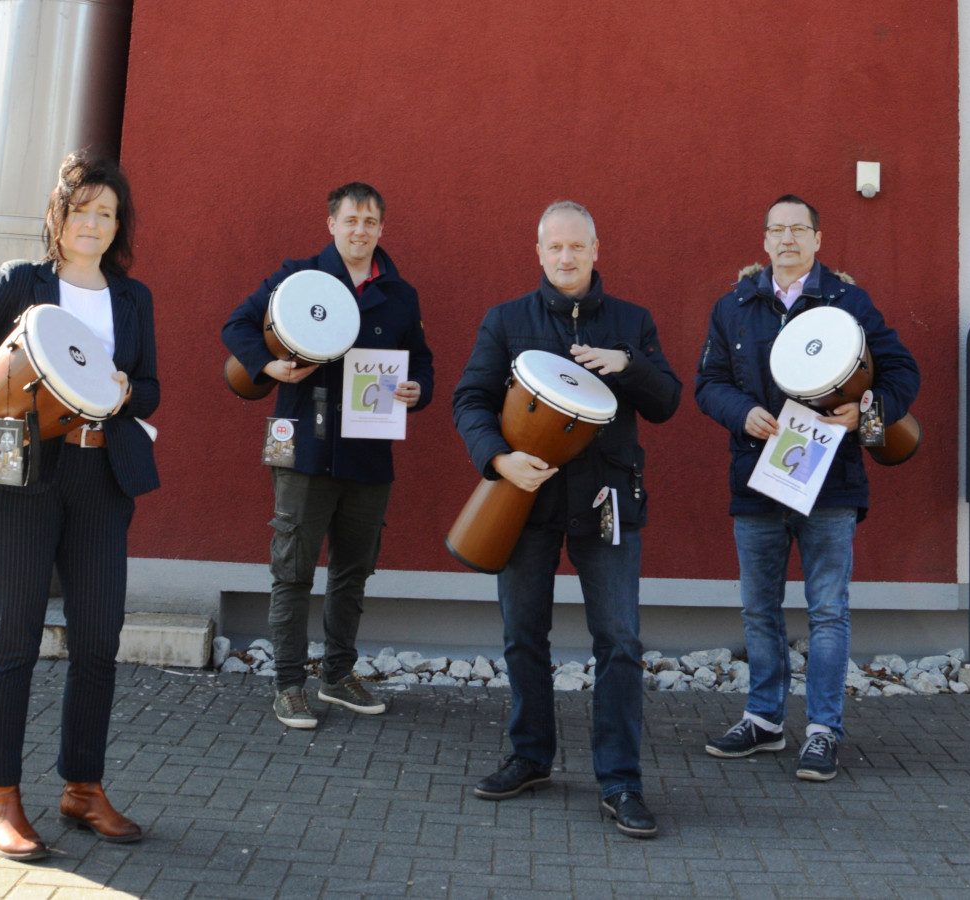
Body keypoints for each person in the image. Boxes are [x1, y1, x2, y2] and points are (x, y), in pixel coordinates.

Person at [0, 151, 159, 860]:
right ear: (60, 215)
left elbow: (149, 388)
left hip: (103, 475)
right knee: (15, 637)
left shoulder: (133, 297)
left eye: (107, 213)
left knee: (97, 641)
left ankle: (82, 788)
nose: (94, 223)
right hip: (21, 472)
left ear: (119, 226)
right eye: (82, 209)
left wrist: (126, 391)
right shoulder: (22, 283)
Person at [452, 201, 681, 839]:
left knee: (620, 643)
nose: (566, 257)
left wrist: (628, 366)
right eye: (555, 247)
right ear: (539, 252)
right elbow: (469, 398)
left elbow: (667, 401)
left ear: (596, 250)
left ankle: (621, 781)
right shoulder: (506, 321)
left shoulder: (633, 322)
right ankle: (530, 757)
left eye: (577, 247)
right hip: (525, 500)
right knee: (523, 634)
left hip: (607, 501)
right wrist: (497, 458)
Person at [695, 194, 919, 781]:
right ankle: (764, 720)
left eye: (799, 229)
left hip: (831, 484)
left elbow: (901, 372)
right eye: (777, 229)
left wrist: (863, 416)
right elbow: (708, 382)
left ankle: (822, 731)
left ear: (818, 239)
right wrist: (742, 412)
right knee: (758, 608)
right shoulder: (734, 306)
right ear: (764, 240)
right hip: (758, 479)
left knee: (827, 610)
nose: (787, 239)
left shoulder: (849, 302)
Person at [222, 182, 433, 730]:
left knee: (352, 571)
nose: (359, 231)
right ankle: (289, 685)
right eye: (350, 221)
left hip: (369, 452)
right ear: (331, 225)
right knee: (292, 570)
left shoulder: (401, 295)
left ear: (382, 229)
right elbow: (237, 325)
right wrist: (266, 368)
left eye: (370, 222)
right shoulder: (298, 279)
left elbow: (423, 366)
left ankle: (337, 677)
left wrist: (418, 390)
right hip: (303, 446)